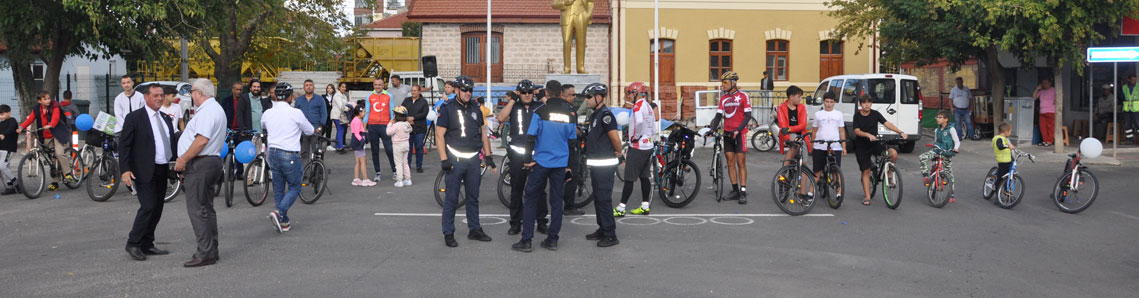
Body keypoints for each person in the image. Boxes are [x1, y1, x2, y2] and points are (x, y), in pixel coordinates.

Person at [512, 80, 578, 253]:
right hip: (560, 164)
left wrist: (527, 160)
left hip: (541, 163)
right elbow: (572, 142)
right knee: (556, 202)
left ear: (547, 93)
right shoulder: (570, 114)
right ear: (560, 94)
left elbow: (530, 137)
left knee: (531, 198)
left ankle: (526, 240)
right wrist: (569, 166)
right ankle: (552, 239)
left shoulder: (539, 112)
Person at [118, 84, 176, 261]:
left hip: (162, 167)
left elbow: (169, 142)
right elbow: (124, 146)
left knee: (157, 207)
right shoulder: (135, 118)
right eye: (155, 95)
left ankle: (147, 243)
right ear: (146, 97)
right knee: (148, 206)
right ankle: (133, 242)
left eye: (161, 95)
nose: (159, 98)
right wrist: (125, 170)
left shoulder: (166, 118)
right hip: (143, 169)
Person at [436, 75, 495, 248]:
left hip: (474, 159)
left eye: (470, 90)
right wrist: (444, 159)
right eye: (464, 90)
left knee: (473, 196)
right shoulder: (447, 108)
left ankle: (474, 229)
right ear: (456, 90)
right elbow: (439, 135)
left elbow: (482, 132)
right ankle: (448, 232)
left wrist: (489, 154)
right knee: (452, 198)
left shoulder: (476, 108)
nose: (468, 93)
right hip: (455, 159)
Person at [174, 78, 227, 267]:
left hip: (201, 162)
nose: (191, 96)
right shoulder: (214, 109)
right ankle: (211, 249)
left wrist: (183, 159)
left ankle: (205, 252)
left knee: (197, 209)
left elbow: (201, 140)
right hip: (209, 161)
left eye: (192, 92)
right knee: (206, 208)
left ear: (199, 93)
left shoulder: (207, 111)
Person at [262, 82, 315, 233]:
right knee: (295, 186)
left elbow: (264, 125)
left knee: (278, 188)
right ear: (290, 97)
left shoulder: (268, 113)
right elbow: (310, 130)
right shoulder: (295, 113)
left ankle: (284, 221)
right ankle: (280, 212)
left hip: (273, 152)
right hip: (289, 153)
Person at [497, 79, 548, 235]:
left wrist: (543, 98)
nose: (527, 95)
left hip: (536, 155)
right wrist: (513, 100)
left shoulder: (540, 106)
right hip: (518, 154)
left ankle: (541, 221)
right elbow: (500, 118)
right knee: (516, 189)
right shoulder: (514, 106)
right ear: (519, 93)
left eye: (530, 92)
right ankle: (515, 223)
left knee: (539, 190)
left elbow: (553, 112)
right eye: (523, 92)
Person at [581, 83, 623, 247]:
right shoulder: (595, 115)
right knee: (598, 198)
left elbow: (615, 139)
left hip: (605, 165)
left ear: (599, 97)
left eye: (589, 97)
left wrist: (619, 152)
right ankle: (602, 228)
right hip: (597, 164)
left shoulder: (606, 115)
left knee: (604, 199)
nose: (587, 100)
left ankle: (610, 234)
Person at [706, 71, 753, 203]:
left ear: (733, 83)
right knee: (730, 163)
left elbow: (748, 116)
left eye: (725, 83)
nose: (723, 85)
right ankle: (735, 190)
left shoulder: (744, 96)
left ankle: (743, 191)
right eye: (722, 83)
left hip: (740, 134)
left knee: (741, 163)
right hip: (727, 133)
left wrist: (738, 130)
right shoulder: (723, 98)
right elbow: (718, 116)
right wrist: (712, 129)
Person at [853, 95, 908, 206]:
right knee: (866, 171)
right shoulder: (857, 116)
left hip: (875, 143)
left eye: (869, 102)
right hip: (861, 146)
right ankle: (867, 197)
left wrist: (900, 132)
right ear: (861, 104)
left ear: (871, 103)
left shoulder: (875, 114)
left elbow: (887, 124)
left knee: (893, 153)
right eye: (864, 103)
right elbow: (857, 131)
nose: (867, 104)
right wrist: (867, 135)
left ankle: (889, 173)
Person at [614, 81, 656, 216]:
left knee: (629, 178)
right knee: (644, 176)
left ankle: (621, 208)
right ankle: (645, 205)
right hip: (648, 144)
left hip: (638, 147)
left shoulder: (638, 106)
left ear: (636, 93)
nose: (628, 96)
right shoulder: (648, 106)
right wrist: (648, 136)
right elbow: (653, 125)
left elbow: (639, 122)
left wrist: (635, 137)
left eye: (630, 93)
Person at [18, 91, 73, 191]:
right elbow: (30, 119)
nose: (48, 100)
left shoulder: (54, 106)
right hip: (45, 135)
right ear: (39, 101)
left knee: (59, 153)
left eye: (48, 98)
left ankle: (68, 173)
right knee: (52, 158)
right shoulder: (36, 109)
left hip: (57, 133)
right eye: (45, 99)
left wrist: (51, 124)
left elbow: (56, 118)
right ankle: (55, 182)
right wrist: (21, 127)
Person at [811, 91, 846, 202]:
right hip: (820, 145)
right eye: (827, 101)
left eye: (831, 102)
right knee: (817, 170)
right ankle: (810, 191)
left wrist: (844, 146)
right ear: (824, 101)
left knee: (836, 170)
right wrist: (812, 144)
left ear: (834, 102)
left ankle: (838, 192)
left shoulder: (839, 114)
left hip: (835, 145)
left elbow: (841, 130)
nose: (829, 104)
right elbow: (814, 130)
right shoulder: (818, 114)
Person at [919, 110, 960, 203]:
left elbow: (957, 141)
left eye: (940, 117)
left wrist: (956, 148)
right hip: (937, 151)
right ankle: (926, 176)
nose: (938, 119)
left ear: (946, 119)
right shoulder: (937, 130)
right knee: (923, 157)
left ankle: (951, 194)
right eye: (937, 117)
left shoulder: (951, 129)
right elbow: (936, 141)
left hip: (947, 153)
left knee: (949, 174)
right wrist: (933, 147)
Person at [559, 83, 586, 215]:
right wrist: (581, 133)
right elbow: (571, 128)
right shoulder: (568, 109)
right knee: (572, 175)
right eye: (573, 95)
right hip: (569, 146)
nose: (575, 97)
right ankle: (569, 206)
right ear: (564, 95)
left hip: (559, 145)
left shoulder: (558, 107)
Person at [364, 78, 396, 182]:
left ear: (383, 85)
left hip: (384, 126)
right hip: (373, 126)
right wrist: (364, 127)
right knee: (375, 150)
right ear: (373, 85)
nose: (377, 86)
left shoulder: (389, 96)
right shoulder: (369, 96)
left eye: (380, 85)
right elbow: (367, 112)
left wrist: (391, 123)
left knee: (389, 149)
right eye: (376, 85)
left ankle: (395, 171)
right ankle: (378, 173)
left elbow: (392, 111)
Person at [220, 81, 250, 179]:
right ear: (233, 90)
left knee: (239, 151)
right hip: (228, 129)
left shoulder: (245, 100)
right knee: (227, 151)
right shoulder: (226, 101)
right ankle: (228, 172)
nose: (238, 92)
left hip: (240, 129)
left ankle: (239, 172)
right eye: (237, 89)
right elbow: (222, 115)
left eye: (240, 90)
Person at [294, 80, 328, 159]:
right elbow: (295, 114)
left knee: (317, 152)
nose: (309, 87)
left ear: (313, 87)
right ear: (304, 88)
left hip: (316, 129)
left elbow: (324, 113)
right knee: (304, 153)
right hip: (303, 130)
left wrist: (320, 126)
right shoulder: (299, 100)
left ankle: (318, 170)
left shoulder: (320, 99)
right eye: (306, 85)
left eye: (310, 85)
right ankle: (305, 170)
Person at [402, 85, 430, 173]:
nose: (413, 92)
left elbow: (424, 113)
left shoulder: (423, 101)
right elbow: (402, 110)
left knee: (418, 147)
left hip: (420, 128)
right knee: (408, 148)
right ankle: (408, 166)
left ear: (419, 91)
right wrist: (407, 118)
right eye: (412, 90)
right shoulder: (407, 100)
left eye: (415, 90)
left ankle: (419, 166)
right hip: (408, 127)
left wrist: (413, 118)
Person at [387, 106, 413, 187]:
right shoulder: (407, 123)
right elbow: (410, 129)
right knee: (405, 162)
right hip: (406, 144)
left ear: (396, 116)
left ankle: (400, 180)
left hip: (397, 145)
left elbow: (388, 132)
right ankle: (408, 179)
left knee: (398, 163)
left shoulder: (397, 125)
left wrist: (390, 123)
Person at [350, 106, 374, 186]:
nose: (365, 113)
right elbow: (357, 133)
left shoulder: (355, 119)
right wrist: (362, 140)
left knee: (358, 162)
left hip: (355, 142)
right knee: (363, 162)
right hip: (358, 142)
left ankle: (356, 179)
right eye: (363, 111)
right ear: (359, 112)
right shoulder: (357, 120)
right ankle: (365, 179)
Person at [0, 105, 20, 195]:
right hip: (1, 148)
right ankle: (10, 186)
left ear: (9, 113)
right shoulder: (1, 124)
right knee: (5, 167)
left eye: (2, 114)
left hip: (9, 148)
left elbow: (11, 130)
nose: (0, 116)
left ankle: (16, 183)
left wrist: (3, 134)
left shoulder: (12, 121)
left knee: (2, 166)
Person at [992, 122, 1014, 201]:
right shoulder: (998, 138)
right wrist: (1008, 145)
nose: (1010, 133)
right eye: (1010, 131)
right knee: (1001, 178)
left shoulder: (1005, 139)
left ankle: (1006, 191)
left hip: (1007, 161)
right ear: (1006, 131)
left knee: (1008, 176)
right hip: (1002, 162)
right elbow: (1000, 146)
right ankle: (997, 195)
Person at [1034, 78, 1056, 147]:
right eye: (1043, 83)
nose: (1044, 85)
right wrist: (1037, 89)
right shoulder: (1041, 91)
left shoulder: (1054, 90)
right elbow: (1034, 97)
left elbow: (1060, 96)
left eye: (1046, 83)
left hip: (1051, 111)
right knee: (1042, 127)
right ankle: (1045, 140)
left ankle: (1049, 141)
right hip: (1042, 112)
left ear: (1050, 83)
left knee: (1050, 127)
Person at [331, 83, 351, 152]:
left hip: (341, 115)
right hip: (337, 115)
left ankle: (338, 146)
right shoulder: (337, 96)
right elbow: (341, 106)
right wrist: (347, 109)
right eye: (342, 87)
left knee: (340, 130)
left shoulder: (343, 95)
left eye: (345, 87)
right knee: (340, 130)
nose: (344, 88)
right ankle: (340, 147)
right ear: (339, 87)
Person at [1122, 74, 1139, 144]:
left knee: (1138, 124)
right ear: (1129, 80)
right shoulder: (1124, 87)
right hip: (1127, 109)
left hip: (1137, 109)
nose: (1134, 81)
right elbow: (1122, 97)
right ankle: (1130, 140)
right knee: (1127, 125)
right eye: (1132, 80)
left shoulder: (1138, 87)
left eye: (1135, 80)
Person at [322, 84, 337, 150]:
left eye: (330, 88)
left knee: (329, 130)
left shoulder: (335, 97)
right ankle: (316, 142)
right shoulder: (323, 97)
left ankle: (328, 145)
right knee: (322, 130)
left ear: (333, 89)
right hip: (324, 115)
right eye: (328, 88)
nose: (329, 89)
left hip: (331, 116)